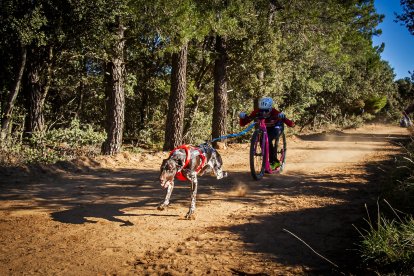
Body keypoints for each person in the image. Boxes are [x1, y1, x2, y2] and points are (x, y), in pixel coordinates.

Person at [239, 97, 295, 170]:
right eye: (262, 111)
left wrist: (283, 117)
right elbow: (243, 123)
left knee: (268, 139)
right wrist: (242, 117)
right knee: (263, 140)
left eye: (266, 111)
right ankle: (266, 159)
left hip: (277, 126)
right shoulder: (256, 112)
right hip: (266, 128)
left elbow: (291, 124)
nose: (264, 113)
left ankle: (275, 162)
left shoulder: (275, 112)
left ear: (271, 108)